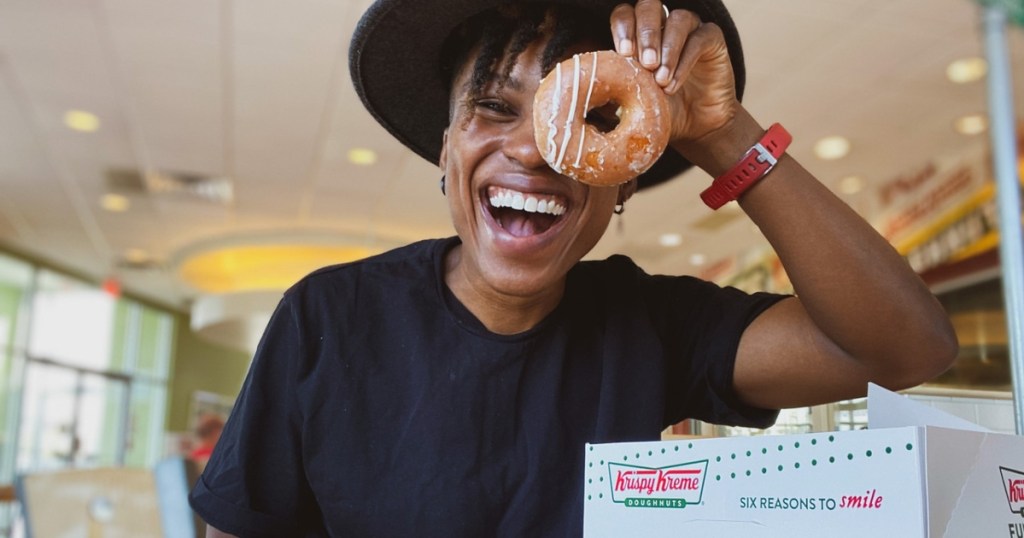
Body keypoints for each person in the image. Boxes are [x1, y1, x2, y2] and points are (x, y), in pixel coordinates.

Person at [189, 0, 959, 536]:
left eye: (590, 119)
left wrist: (726, 135)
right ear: (447, 148)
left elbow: (904, 348)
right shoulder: (330, 317)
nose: (531, 149)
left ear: (623, 179)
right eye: (493, 108)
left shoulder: (651, 325)